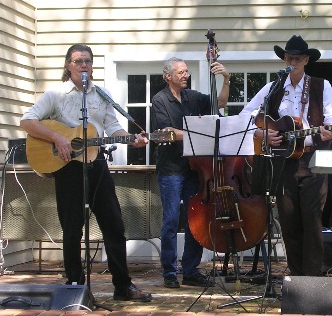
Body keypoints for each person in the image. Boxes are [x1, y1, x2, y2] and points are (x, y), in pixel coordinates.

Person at [20, 44, 152, 302]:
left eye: (88, 61)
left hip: (97, 164)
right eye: (78, 61)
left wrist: (131, 138)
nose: (84, 66)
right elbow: (27, 121)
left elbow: (113, 128)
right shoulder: (56, 94)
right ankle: (73, 285)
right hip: (67, 167)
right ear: (68, 65)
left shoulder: (101, 95)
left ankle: (123, 286)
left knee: (114, 225)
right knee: (72, 229)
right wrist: (58, 138)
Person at [241, 35, 332, 276]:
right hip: (283, 161)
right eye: (289, 57)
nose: (292, 62)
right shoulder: (273, 87)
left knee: (312, 219)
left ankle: (313, 279)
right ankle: (297, 277)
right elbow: (246, 114)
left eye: (297, 58)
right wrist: (262, 133)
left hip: (313, 159)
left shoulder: (321, 85)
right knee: (288, 221)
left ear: (306, 60)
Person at [151, 56, 231, 288]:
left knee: (195, 218)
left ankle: (190, 270)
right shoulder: (160, 100)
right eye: (181, 72)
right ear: (168, 76)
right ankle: (169, 271)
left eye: (186, 71)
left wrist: (225, 79)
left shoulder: (192, 96)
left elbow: (220, 104)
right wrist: (199, 132)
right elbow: (166, 132)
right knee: (171, 220)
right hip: (171, 168)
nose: (186, 75)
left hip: (195, 168)